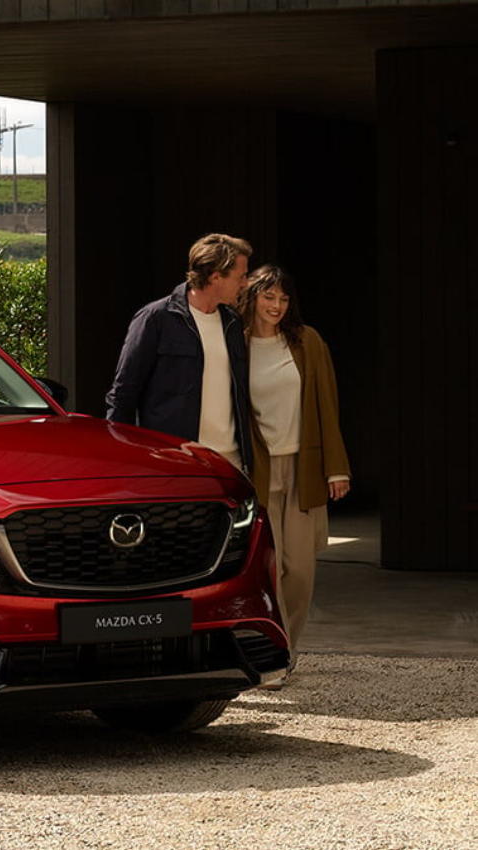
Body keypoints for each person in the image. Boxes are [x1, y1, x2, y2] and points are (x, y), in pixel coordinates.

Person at [240, 264, 350, 684]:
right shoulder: (237, 344)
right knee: (268, 569)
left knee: (299, 570)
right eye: (269, 297)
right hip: (260, 469)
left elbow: (327, 405)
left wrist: (336, 469)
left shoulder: (307, 341)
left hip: (304, 467)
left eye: (284, 299)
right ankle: (277, 654)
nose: (276, 306)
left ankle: (290, 644)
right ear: (252, 297)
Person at [106, 233, 254, 473]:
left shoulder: (232, 323)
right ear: (216, 277)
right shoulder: (155, 319)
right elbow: (123, 393)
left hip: (232, 462)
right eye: (241, 276)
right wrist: (119, 459)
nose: (245, 284)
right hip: (176, 463)